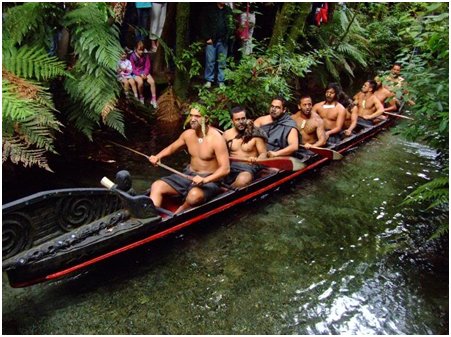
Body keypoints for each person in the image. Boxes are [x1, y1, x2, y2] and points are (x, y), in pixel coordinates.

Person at [149, 102, 230, 213]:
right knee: (157, 186)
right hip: (188, 176)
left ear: (206, 119)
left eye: (197, 116)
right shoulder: (187, 135)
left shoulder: (216, 139)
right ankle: (151, 218)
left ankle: (175, 215)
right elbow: (172, 148)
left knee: (193, 196)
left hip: (209, 180)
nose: (192, 119)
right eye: (191, 115)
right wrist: (158, 156)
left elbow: (225, 169)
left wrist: (205, 180)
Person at [223, 107, 267, 187]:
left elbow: (263, 153)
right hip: (230, 165)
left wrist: (257, 159)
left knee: (243, 181)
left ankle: (225, 194)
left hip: (248, 167)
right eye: (237, 119)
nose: (241, 122)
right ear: (232, 121)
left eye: (243, 119)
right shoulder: (227, 134)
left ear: (246, 119)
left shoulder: (256, 134)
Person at [201, 2, 233, 88]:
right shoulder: (209, 9)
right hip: (212, 40)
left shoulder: (228, 10)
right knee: (210, 61)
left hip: (223, 40)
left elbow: (230, 25)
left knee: (222, 61)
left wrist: (228, 36)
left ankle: (221, 81)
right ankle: (209, 80)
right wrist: (207, 38)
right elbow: (204, 24)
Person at [130, 40, 158, 108]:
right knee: (140, 82)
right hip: (136, 73)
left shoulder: (146, 56)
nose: (141, 52)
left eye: (142, 50)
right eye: (139, 50)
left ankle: (153, 99)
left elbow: (147, 66)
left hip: (144, 72)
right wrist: (140, 75)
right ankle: (141, 97)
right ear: (136, 49)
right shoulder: (132, 57)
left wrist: (145, 73)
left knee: (152, 82)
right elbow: (132, 69)